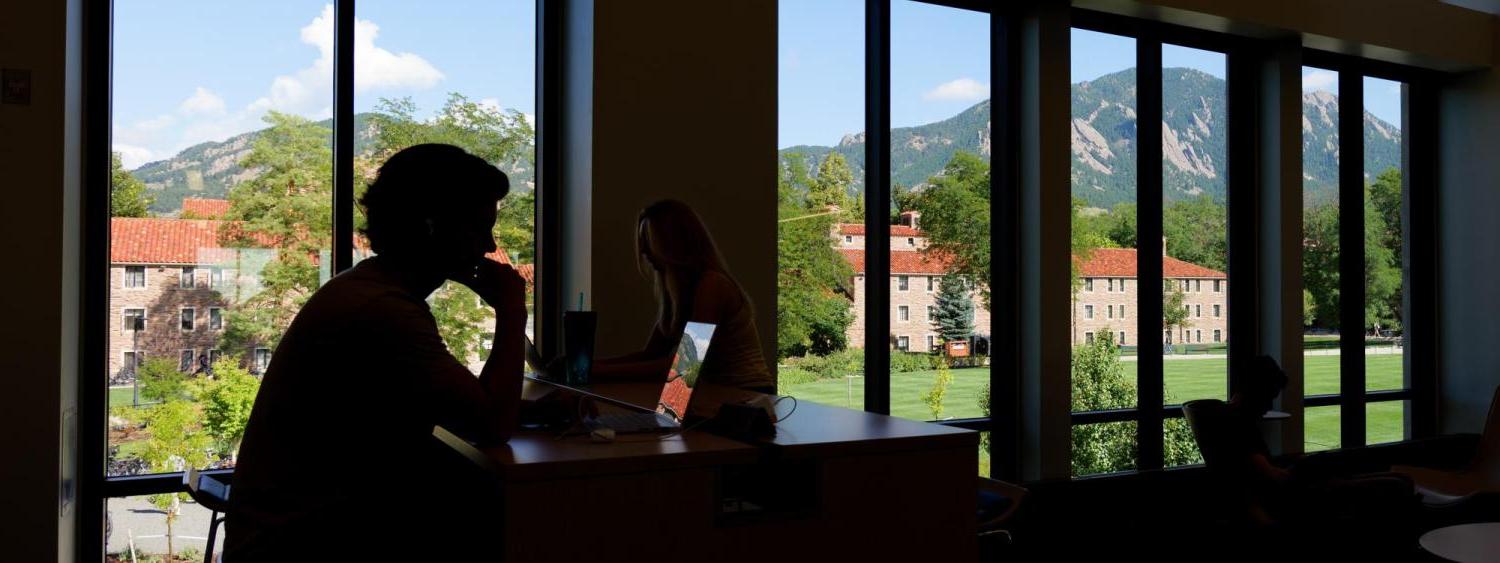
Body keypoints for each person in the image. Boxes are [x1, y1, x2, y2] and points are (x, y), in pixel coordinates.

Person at [224, 144, 530, 560]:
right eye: (479, 228)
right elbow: (492, 425)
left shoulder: (365, 287)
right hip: (308, 541)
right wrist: (512, 312)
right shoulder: (385, 310)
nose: (489, 246)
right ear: (432, 226)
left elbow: (450, 406)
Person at [1192, 356, 1416, 549]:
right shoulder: (1238, 427)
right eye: (1268, 397)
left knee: (1398, 480)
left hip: (1294, 497)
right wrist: (1306, 468)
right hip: (1300, 501)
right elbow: (1274, 480)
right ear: (1256, 392)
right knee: (1399, 483)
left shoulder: (1226, 421)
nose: (1269, 405)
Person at [588, 200, 775, 393]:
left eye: (649, 240)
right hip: (716, 396)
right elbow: (651, 355)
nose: (643, 251)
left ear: (672, 242)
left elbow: (685, 368)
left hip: (747, 398)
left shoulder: (712, 285)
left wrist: (594, 370)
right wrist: (588, 365)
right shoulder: (678, 294)